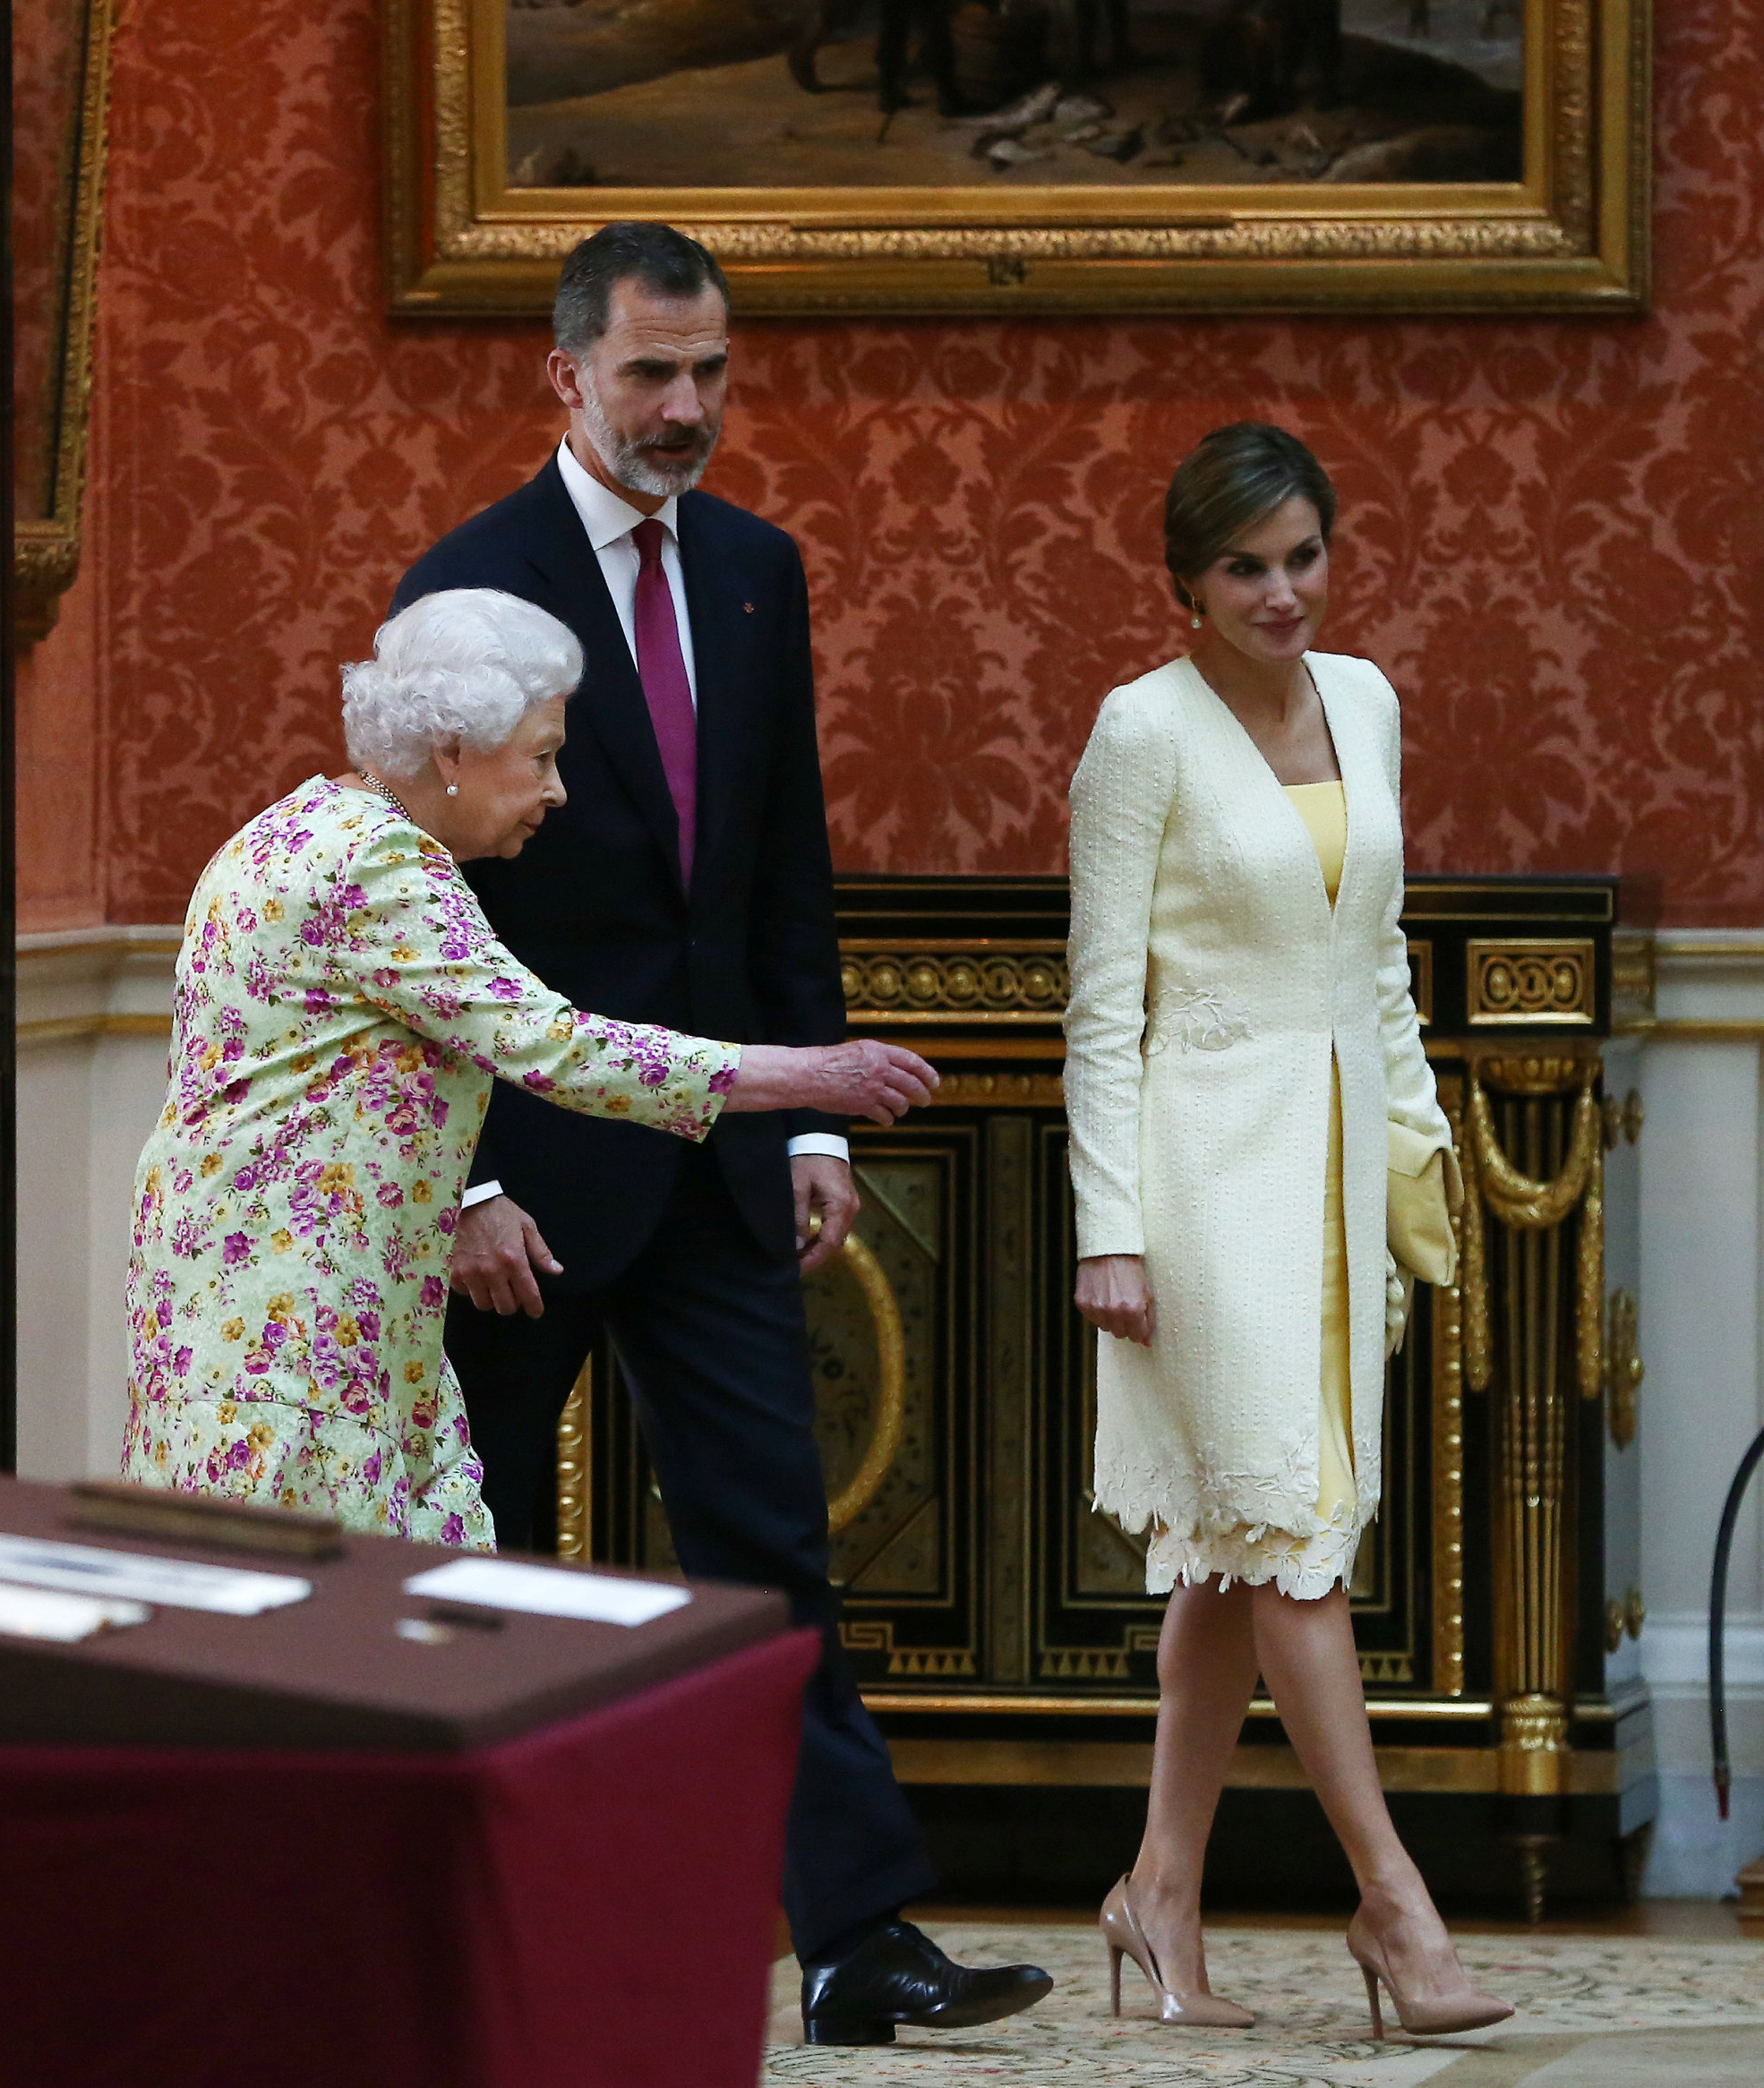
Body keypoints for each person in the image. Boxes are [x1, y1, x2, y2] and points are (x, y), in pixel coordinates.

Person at [391, 223, 1050, 2048]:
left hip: (717, 1158)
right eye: (649, 376)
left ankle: (851, 1935)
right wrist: (472, 1176)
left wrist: (803, 1111)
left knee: (774, 1543)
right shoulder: (467, 585)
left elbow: (774, 870)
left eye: (710, 374)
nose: (686, 409)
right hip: (523, 1180)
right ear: (566, 376)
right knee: (497, 1556)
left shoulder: (757, 573)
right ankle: (482, 1920)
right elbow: (419, 919)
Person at [120, 588, 940, 1547]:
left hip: (271, 1299)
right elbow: (554, 1045)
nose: (557, 790)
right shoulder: (380, 866)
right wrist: (809, 1074)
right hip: (289, 1323)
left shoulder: (290, 828)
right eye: (543, 757)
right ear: (453, 752)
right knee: (314, 1630)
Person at [1063, 422, 1511, 2039]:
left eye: (1302, 555)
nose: (1281, 590)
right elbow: (1099, 1010)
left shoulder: (1369, 699)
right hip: (1197, 1181)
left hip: (1331, 1183)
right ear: (1184, 581)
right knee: (1297, 1545)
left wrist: (1417, 1153)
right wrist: (1107, 1229)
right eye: (1244, 566)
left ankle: (1156, 1892)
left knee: (1239, 1555)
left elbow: (1375, 966)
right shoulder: (1142, 733)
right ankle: (1398, 1904)